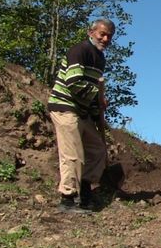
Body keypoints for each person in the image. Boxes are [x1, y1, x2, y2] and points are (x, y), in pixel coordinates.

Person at [48, 18, 115, 213]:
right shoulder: (80, 51)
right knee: (73, 154)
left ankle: (85, 192)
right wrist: (97, 96)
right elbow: (74, 82)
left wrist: (96, 111)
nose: (105, 38)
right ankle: (67, 199)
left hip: (82, 111)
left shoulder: (100, 58)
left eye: (109, 36)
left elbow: (93, 90)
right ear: (91, 32)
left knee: (96, 149)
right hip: (65, 106)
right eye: (102, 34)